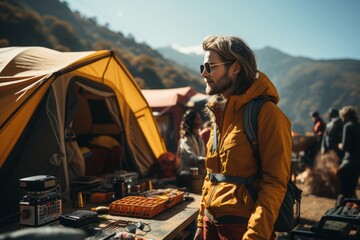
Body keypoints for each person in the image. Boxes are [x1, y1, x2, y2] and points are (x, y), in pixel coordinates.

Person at [194, 35, 292, 240]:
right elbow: (210, 175)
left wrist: (255, 236)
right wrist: (200, 223)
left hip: (243, 228)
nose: (204, 73)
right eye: (202, 66)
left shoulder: (267, 114)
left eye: (210, 66)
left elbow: (274, 183)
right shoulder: (218, 115)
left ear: (235, 68)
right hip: (210, 223)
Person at [336, 106, 360, 206]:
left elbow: (346, 146)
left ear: (345, 115)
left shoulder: (348, 126)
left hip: (348, 163)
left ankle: (337, 214)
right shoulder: (358, 125)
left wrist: (339, 145)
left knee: (343, 192)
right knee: (351, 191)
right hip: (358, 163)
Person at [177, 109, 206, 187]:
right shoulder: (186, 138)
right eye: (197, 119)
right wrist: (206, 160)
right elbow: (191, 159)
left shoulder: (199, 138)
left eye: (200, 119)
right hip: (186, 177)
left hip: (197, 177)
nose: (200, 121)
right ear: (191, 121)